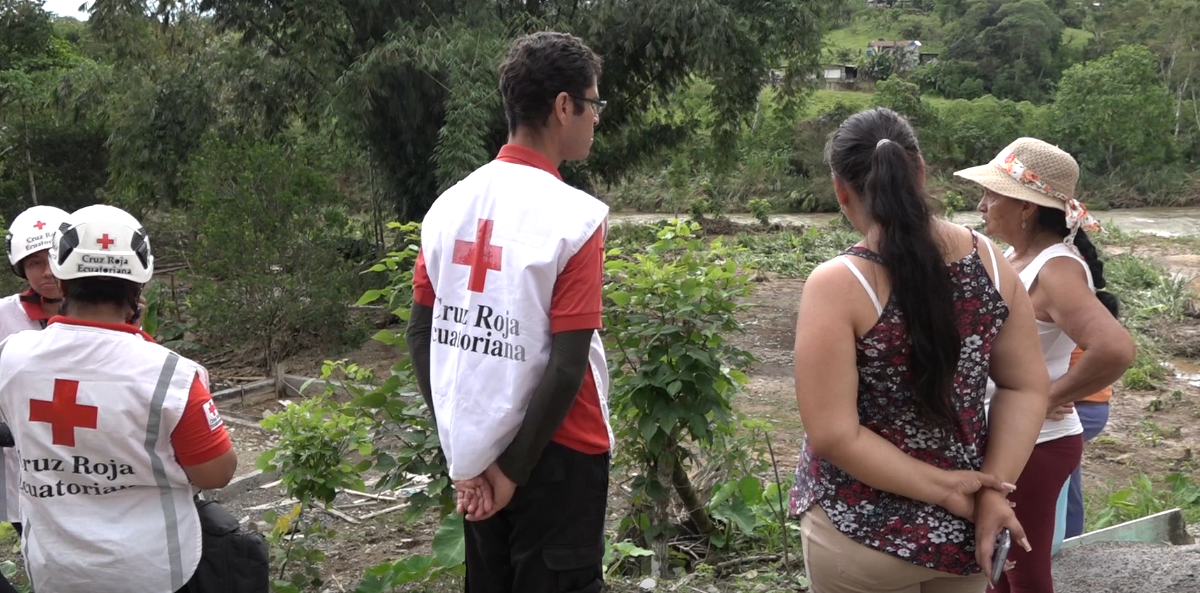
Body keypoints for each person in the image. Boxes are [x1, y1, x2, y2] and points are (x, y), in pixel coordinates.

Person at [788, 108, 1051, 593]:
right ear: (921, 172)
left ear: (840, 189)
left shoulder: (840, 283)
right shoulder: (991, 261)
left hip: (860, 533)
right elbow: (1027, 384)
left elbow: (833, 434)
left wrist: (950, 489)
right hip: (967, 536)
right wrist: (991, 489)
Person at [405, 31, 611, 593]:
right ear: (564, 106)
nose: (596, 118)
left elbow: (421, 336)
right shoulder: (576, 217)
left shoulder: (447, 207)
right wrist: (511, 472)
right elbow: (567, 364)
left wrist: (468, 458)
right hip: (561, 447)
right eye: (593, 104)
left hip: (478, 451)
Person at [0, 204, 239, 593]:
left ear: (60, 281)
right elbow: (216, 473)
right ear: (139, 288)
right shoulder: (172, 375)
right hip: (154, 568)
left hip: (57, 569)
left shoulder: (11, 356)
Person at [957, 137, 1135, 592]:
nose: (981, 204)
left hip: (1038, 443)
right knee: (994, 565)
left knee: (1022, 569)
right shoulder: (1016, 259)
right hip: (1010, 438)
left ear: (1026, 207)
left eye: (992, 195)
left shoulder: (1056, 268)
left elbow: (1114, 349)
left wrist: (1048, 398)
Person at [1065, 346, 1113, 538]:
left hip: (1079, 406)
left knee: (1057, 471)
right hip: (1087, 405)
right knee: (1066, 472)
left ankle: (1067, 536)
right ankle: (1068, 536)